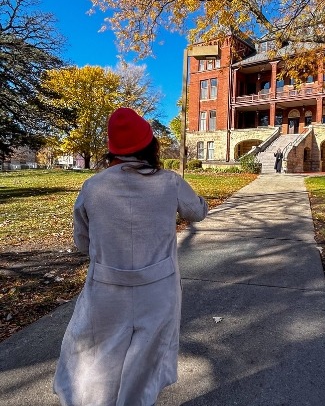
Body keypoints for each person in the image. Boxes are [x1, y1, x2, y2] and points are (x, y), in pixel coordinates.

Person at [53, 108, 208, 406]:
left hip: (106, 287)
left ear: (112, 150)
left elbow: (82, 242)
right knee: (146, 360)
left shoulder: (93, 186)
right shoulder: (170, 182)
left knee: (98, 355)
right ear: (150, 146)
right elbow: (197, 211)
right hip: (158, 286)